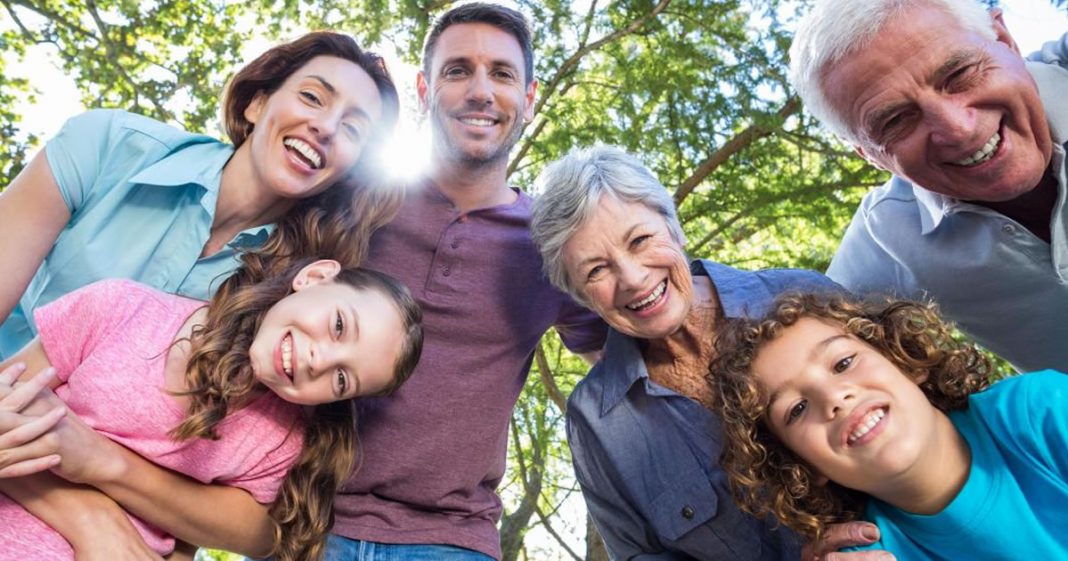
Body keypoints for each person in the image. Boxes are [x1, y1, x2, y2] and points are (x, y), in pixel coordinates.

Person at [318, 4, 608, 560]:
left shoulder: (553, 244)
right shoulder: (356, 200)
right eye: (458, 71)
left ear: (528, 99)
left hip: (453, 538)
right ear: (425, 90)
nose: (481, 91)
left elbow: (638, 365)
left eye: (501, 73)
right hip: (308, 517)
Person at [530, 145, 889, 560]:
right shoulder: (597, 422)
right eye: (596, 270)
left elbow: (933, 415)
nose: (632, 278)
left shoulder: (804, 296)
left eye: (641, 240)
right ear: (581, 296)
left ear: (675, 228)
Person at [0, 30, 400, 359]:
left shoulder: (298, 294)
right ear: (257, 104)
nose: (326, 127)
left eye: (353, 130)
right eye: (312, 97)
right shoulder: (108, 145)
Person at [0, 254, 423, 561]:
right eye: (338, 326)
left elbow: (199, 537)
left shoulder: (279, 445)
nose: (320, 360)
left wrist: (101, 463)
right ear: (314, 277)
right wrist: (88, 517)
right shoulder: (121, 309)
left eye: (341, 379)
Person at [788, 0, 1068, 372]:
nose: (959, 129)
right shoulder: (888, 241)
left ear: (1004, 39)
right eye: (896, 120)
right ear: (870, 155)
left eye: (961, 74)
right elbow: (797, 357)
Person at [710, 292, 1068, 560]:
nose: (834, 398)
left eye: (843, 363)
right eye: (798, 409)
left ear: (904, 360)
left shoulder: (1040, 410)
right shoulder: (867, 554)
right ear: (803, 467)